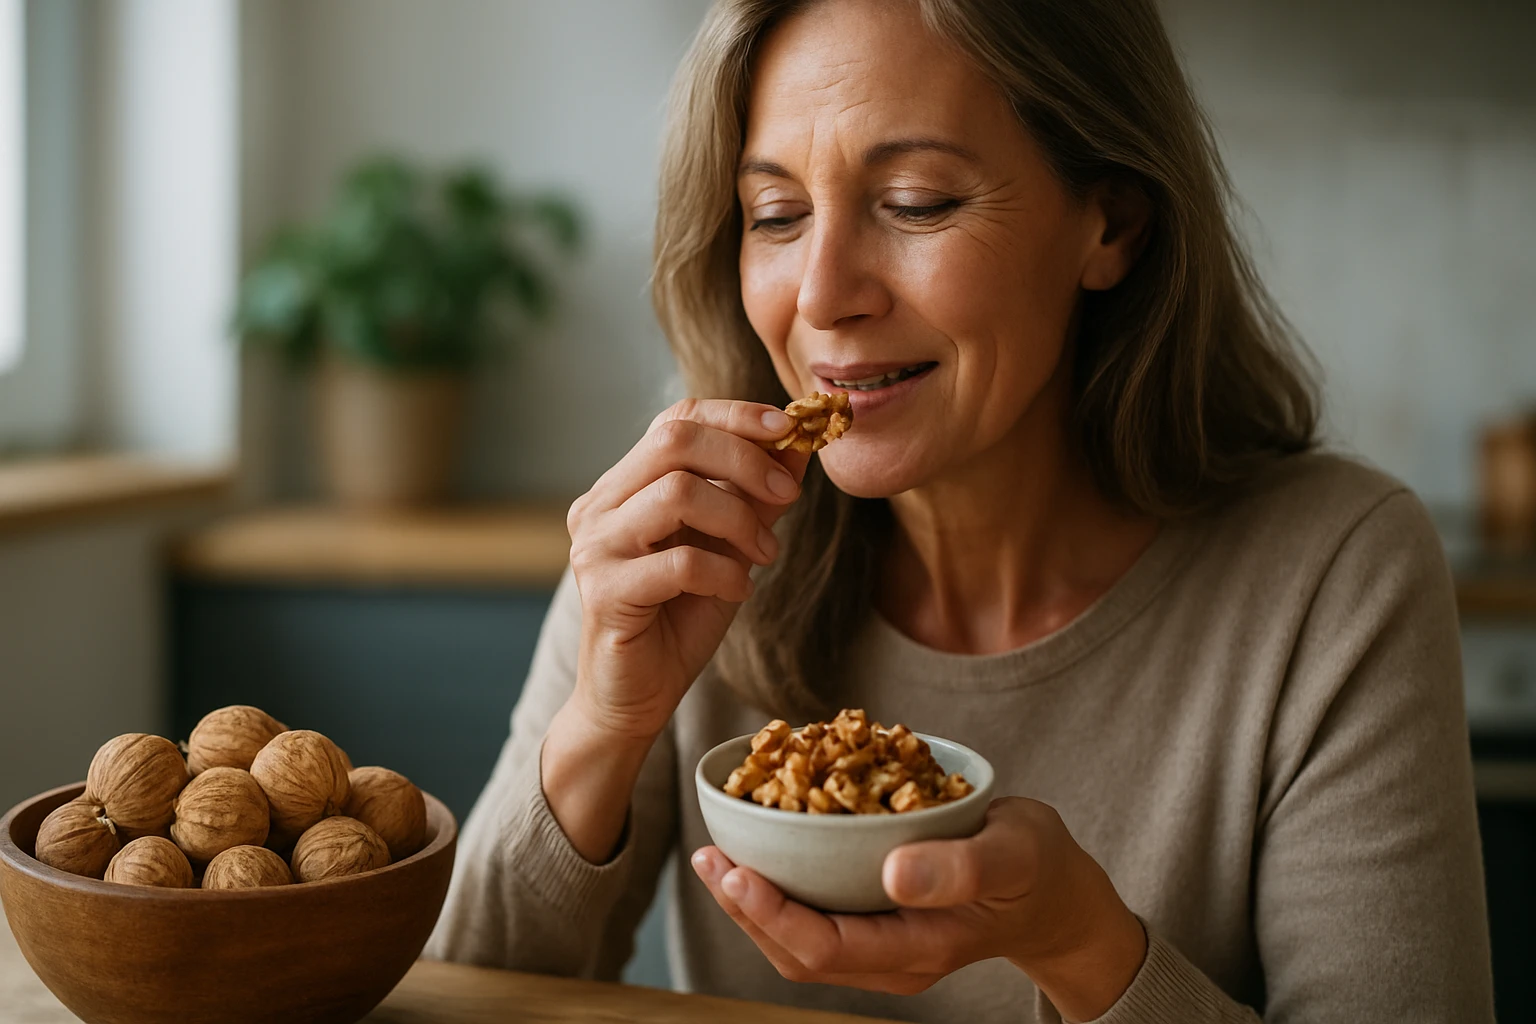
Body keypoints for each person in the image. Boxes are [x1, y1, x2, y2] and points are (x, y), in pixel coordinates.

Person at [425, 1, 1495, 1020]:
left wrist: (1083, 947)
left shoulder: (1337, 576)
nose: (821, 293)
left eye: (918, 203)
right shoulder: (688, 535)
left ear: (1110, 221)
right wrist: (603, 729)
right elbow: (459, 1002)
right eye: (777, 215)